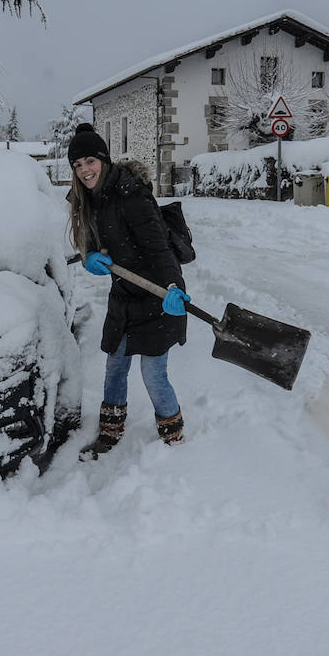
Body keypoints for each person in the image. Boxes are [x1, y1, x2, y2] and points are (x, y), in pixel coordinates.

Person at [65, 122, 190, 459]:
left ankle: (173, 436)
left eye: (89, 162)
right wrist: (91, 253)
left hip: (158, 295)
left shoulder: (132, 196)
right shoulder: (90, 198)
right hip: (124, 295)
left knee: (153, 373)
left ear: (103, 160)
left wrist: (173, 287)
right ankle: (110, 431)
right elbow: (92, 239)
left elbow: (159, 249)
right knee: (115, 366)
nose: (84, 171)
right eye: (77, 165)